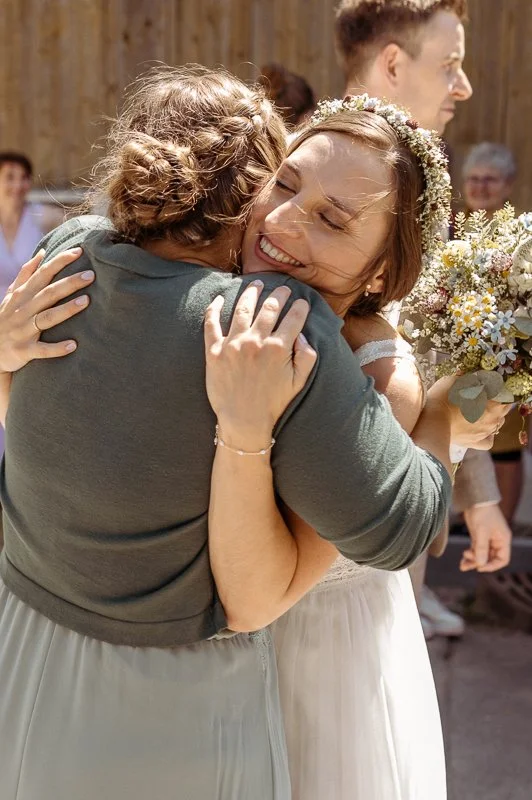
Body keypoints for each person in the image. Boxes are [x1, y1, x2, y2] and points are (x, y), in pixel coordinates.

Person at [0, 87, 509, 799]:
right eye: (284, 184)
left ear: (384, 272)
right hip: (179, 689)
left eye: (331, 218)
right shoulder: (253, 309)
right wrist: (444, 422)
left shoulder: (84, 250)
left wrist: (433, 415)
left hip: (302, 680)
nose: (283, 220)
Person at [334, 0, 512, 637]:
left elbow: (437, 354)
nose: (463, 86)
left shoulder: (424, 188)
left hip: (412, 511)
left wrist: (481, 497)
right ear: (391, 64)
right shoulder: (317, 185)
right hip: (333, 521)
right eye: (451, 66)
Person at [0, 151, 65, 544]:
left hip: (25, 330)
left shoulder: (41, 217)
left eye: (24, 177)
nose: (19, 185)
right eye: (9, 177)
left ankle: (21, 502)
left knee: (17, 412)